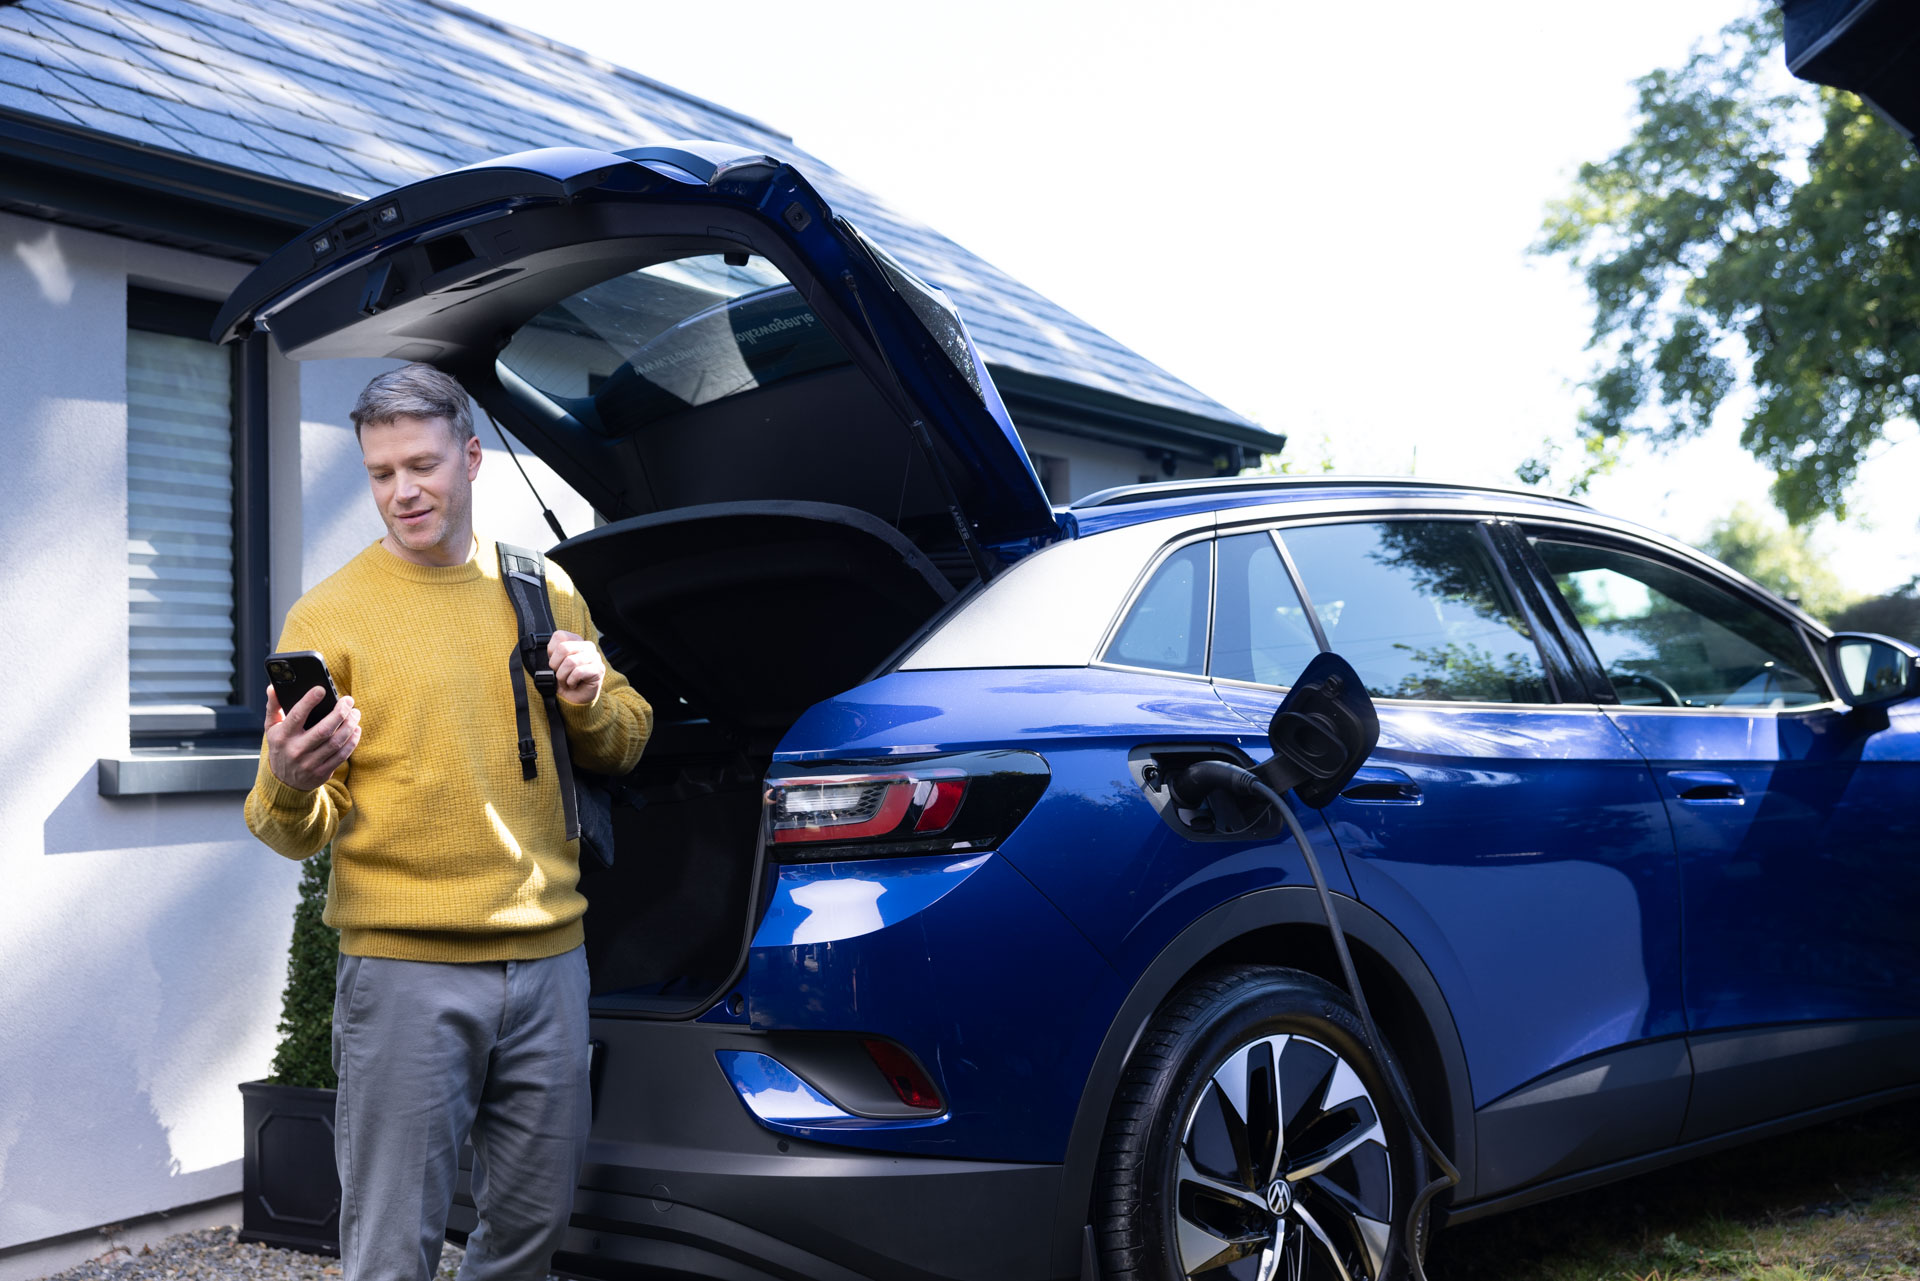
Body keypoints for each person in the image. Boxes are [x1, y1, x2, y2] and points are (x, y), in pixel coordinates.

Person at [243, 363, 652, 1281]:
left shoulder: (541, 587)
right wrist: (288, 778)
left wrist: (589, 698)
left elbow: (628, 742)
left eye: (421, 464)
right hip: (404, 975)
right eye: (382, 472)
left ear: (471, 458)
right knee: (392, 1246)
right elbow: (294, 827)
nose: (402, 491)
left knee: (533, 1229)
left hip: (549, 960)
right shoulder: (332, 615)